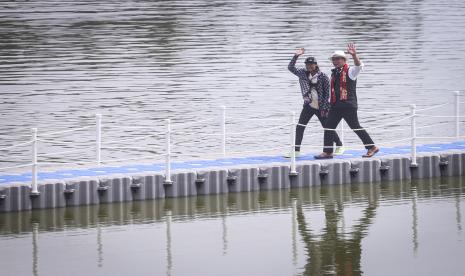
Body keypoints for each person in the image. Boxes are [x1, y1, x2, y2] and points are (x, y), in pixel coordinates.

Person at [314, 43, 379, 159]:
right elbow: (332, 92)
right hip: (335, 106)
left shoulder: (350, 71)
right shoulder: (334, 73)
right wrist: (327, 105)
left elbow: (359, 66)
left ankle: (372, 147)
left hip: (348, 106)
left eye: (339, 59)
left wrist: (354, 55)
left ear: (344, 60)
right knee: (328, 126)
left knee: (355, 126)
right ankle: (328, 152)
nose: (336, 61)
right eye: (334, 59)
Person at [287, 48, 344, 158]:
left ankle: (339, 145)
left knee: (327, 127)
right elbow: (290, 68)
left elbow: (327, 94)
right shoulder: (303, 73)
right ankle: (296, 150)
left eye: (311, 64)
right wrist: (296, 56)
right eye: (307, 64)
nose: (309, 66)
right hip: (308, 105)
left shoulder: (323, 77)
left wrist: (326, 108)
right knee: (300, 127)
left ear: (316, 65)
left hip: (321, 107)